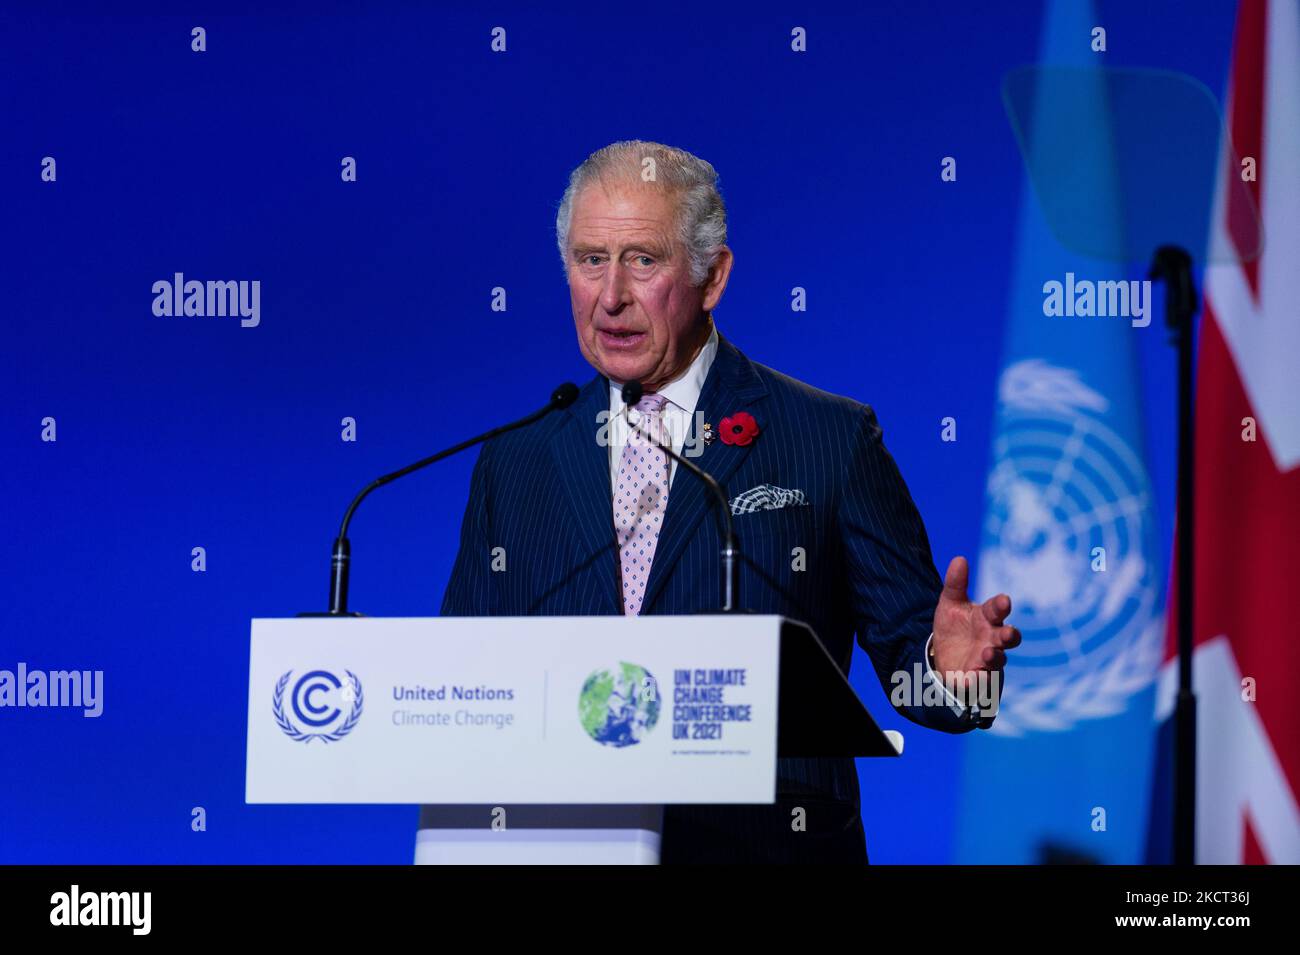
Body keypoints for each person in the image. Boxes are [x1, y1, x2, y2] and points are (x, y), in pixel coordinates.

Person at [436, 140, 1020, 863]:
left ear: (712, 277)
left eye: (643, 260)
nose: (610, 294)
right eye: (590, 260)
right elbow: (464, 683)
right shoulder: (517, 458)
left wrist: (953, 673)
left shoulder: (828, 438)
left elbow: (915, 665)